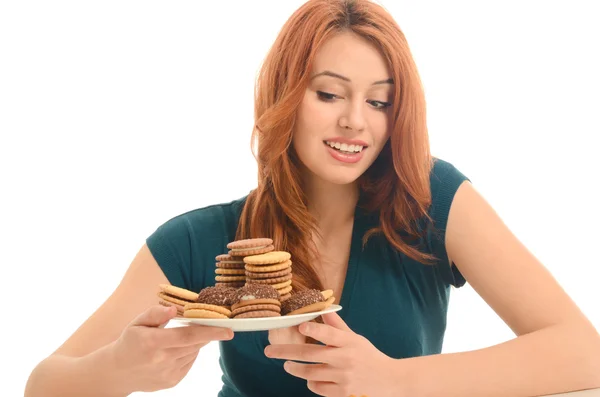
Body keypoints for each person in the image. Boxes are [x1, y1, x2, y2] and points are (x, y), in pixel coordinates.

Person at [25, 0, 600, 396]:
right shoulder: (197, 240)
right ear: (286, 95)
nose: (355, 122)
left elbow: (582, 351)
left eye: (380, 102)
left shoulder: (430, 200)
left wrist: (390, 380)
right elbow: (43, 385)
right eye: (329, 94)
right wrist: (120, 368)